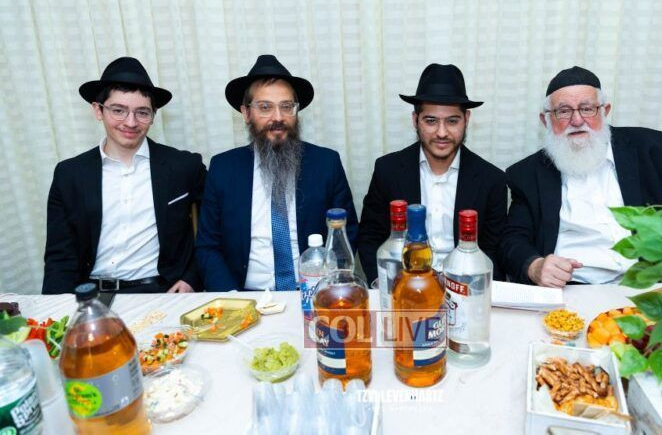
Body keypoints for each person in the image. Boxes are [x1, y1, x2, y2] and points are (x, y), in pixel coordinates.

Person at [502, 66, 662, 287]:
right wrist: (535, 265)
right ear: (546, 120)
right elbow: (513, 240)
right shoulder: (527, 174)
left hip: (652, 288)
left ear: (605, 111)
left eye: (587, 108)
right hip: (572, 289)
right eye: (563, 111)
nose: (577, 120)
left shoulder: (656, 152)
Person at [43, 57, 206, 294]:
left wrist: (192, 277)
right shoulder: (69, 174)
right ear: (98, 110)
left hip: (163, 292)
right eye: (118, 110)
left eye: (142, 112)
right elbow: (59, 256)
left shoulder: (184, 166)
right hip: (91, 293)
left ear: (153, 116)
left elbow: (217, 227)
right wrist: (59, 308)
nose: (130, 122)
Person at [196, 55, 359, 291]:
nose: (278, 118)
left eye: (286, 106)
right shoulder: (223, 168)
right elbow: (208, 247)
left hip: (313, 292)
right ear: (246, 113)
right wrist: (233, 299)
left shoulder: (326, 163)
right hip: (244, 296)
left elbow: (346, 233)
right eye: (265, 107)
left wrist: (325, 288)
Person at [358, 63, 507, 282]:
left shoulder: (491, 179)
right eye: (431, 121)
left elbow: (493, 251)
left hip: (464, 287)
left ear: (466, 119)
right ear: (415, 120)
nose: (442, 133)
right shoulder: (387, 170)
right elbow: (370, 238)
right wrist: (385, 284)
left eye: (452, 121)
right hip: (405, 285)